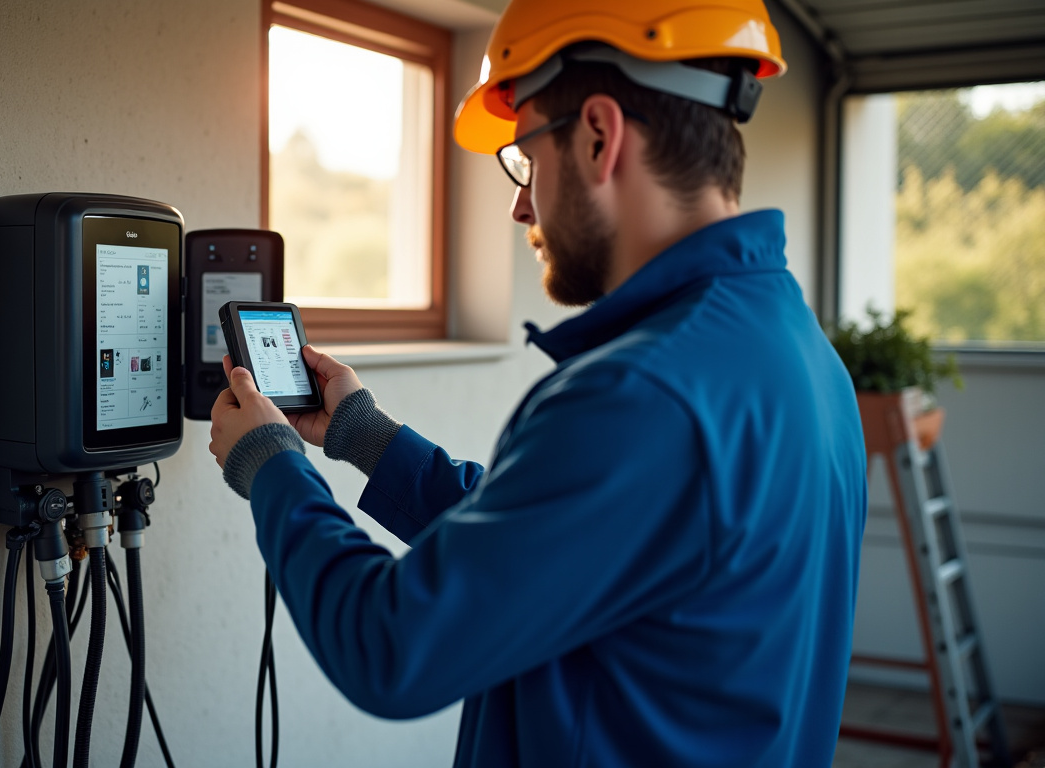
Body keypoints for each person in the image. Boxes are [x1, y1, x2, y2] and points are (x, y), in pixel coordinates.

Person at [209, 0, 867, 764]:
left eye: (525, 156)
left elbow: (390, 647)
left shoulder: (642, 398)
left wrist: (271, 467)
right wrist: (366, 438)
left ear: (597, 135)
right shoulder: (795, 353)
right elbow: (558, 546)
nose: (521, 202)